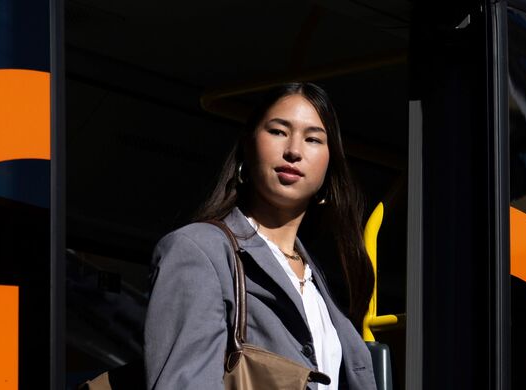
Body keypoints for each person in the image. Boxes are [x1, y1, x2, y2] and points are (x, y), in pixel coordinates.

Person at [143, 82, 376, 390]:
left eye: (313, 139)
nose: (293, 150)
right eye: (278, 131)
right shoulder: (199, 250)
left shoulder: (320, 281)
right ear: (248, 147)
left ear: (329, 168)